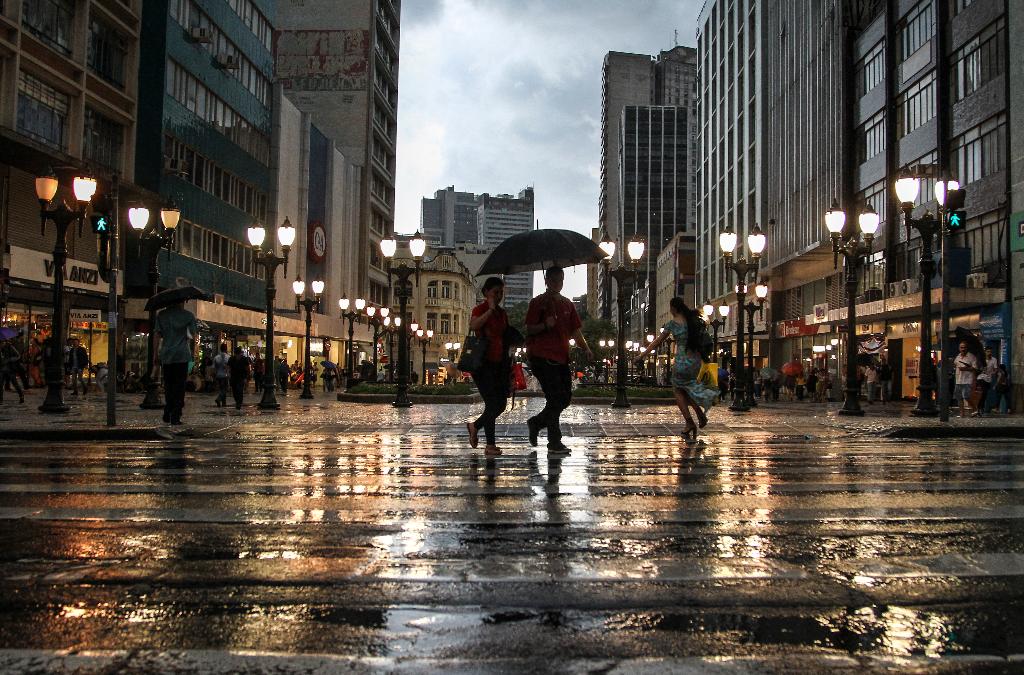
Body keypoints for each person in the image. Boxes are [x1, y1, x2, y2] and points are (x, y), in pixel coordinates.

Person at [525, 267, 592, 455]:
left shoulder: (567, 304)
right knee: (555, 398)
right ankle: (554, 441)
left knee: (564, 398)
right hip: (542, 357)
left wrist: (586, 348)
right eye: (553, 280)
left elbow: (576, 330)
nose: (557, 284)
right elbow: (529, 328)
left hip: (562, 357)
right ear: (547, 281)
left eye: (560, 280)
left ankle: (537, 423)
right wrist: (546, 324)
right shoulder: (538, 302)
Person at [638, 297, 718, 441]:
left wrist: (643, 354)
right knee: (686, 389)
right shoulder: (694, 321)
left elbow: (656, 342)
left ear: (674, 308)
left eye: (670, 308)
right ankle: (699, 415)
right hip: (695, 360)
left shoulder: (673, 324)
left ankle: (689, 422)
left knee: (677, 390)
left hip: (682, 360)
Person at [466, 277, 511, 456]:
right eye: (495, 292)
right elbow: (474, 325)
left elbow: (505, 333)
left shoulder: (502, 313)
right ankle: (490, 445)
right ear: (486, 293)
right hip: (482, 363)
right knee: (493, 403)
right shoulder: (481, 309)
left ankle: (475, 426)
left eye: (501, 292)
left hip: (499, 363)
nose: (498, 296)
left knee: (500, 404)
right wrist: (490, 311)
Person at [154, 300, 197, 425]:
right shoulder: (188, 316)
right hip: (182, 355)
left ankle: (168, 409)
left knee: (168, 384)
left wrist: (155, 354)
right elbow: (193, 335)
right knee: (180, 386)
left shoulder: (161, 315)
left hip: (166, 355)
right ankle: (176, 415)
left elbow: (157, 335)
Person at [953, 341, 979, 418]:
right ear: (959, 348)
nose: (963, 349)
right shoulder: (958, 357)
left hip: (967, 380)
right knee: (959, 397)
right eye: (961, 347)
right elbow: (955, 364)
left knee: (967, 396)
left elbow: (975, 369)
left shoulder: (971, 357)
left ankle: (975, 409)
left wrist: (966, 368)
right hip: (958, 380)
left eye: (964, 347)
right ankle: (962, 414)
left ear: (967, 348)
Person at [975, 346, 998, 417]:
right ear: (985, 352)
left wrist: (993, 372)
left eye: (990, 352)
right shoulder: (981, 359)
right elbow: (977, 368)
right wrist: (981, 368)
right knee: (982, 392)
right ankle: (979, 408)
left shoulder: (994, 360)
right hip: (981, 378)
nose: (989, 353)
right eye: (988, 351)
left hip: (988, 379)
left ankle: (980, 408)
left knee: (985, 395)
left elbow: (996, 369)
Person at [213, 343, 230, 407]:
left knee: (221, 389)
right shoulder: (228, 357)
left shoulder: (216, 357)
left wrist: (214, 375)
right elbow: (229, 367)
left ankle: (223, 403)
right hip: (225, 375)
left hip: (218, 375)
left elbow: (214, 368)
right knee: (225, 389)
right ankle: (219, 399)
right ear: (226, 349)